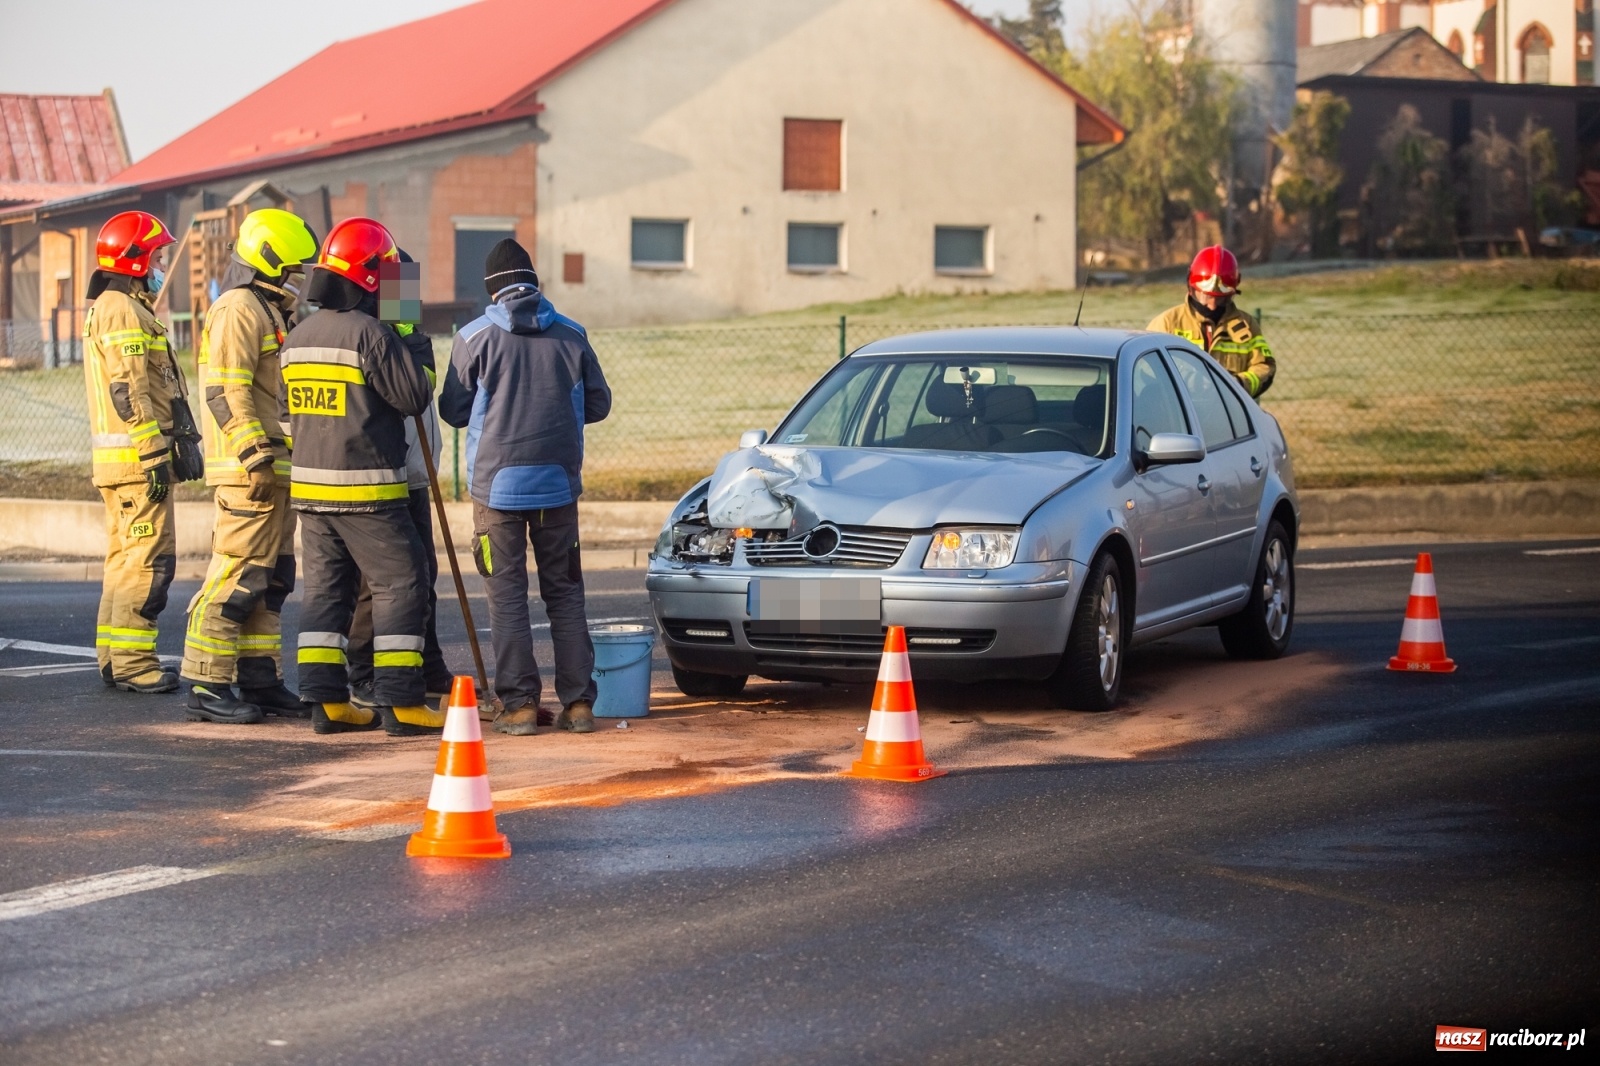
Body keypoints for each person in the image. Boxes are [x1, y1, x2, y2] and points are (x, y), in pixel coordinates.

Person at [439, 238, 611, 736]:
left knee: (508, 598)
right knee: (566, 595)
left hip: (496, 492)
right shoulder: (572, 334)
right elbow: (599, 405)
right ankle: (578, 706)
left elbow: (453, 411)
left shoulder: (473, 337)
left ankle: (518, 707)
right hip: (558, 486)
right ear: (534, 283)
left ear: (491, 290)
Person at [279, 217, 443, 738]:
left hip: (310, 493)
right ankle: (402, 701)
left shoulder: (298, 337)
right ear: (373, 278)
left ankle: (327, 702)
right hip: (368, 490)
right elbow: (414, 396)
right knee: (404, 583)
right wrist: (410, 334)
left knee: (326, 594)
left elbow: (286, 418)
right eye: (390, 277)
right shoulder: (372, 334)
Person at [181, 208, 319, 724]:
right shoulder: (238, 308)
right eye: (297, 268)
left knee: (270, 580)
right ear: (272, 263)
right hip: (251, 474)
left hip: (276, 470)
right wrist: (255, 457)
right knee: (235, 576)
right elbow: (225, 391)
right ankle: (206, 683)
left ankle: (259, 679)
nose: (303, 278)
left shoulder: (271, 311)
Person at [82, 210, 186, 693]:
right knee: (148, 562)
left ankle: (114, 657)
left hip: (120, 464)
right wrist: (153, 453)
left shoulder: (112, 306)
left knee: (124, 563)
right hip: (135, 464)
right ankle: (133, 663)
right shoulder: (122, 309)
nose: (162, 265)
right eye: (158, 257)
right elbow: (128, 389)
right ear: (136, 259)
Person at [348, 251, 455, 708]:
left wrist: (411, 333)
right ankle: (364, 671)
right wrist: (406, 336)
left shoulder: (406, 333)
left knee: (422, 574)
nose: (408, 298)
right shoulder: (369, 335)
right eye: (399, 287)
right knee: (377, 585)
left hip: (413, 474)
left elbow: (424, 388)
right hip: (380, 477)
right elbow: (404, 394)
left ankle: (427, 663)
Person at [1147, 245, 1276, 398]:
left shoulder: (1247, 325)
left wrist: (1238, 385)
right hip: (1179, 411)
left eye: (1221, 298)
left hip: (1228, 411)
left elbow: (1264, 367)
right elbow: (1145, 370)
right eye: (1206, 296)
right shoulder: (1166, 323)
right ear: (1191, 287)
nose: (1212, 305)